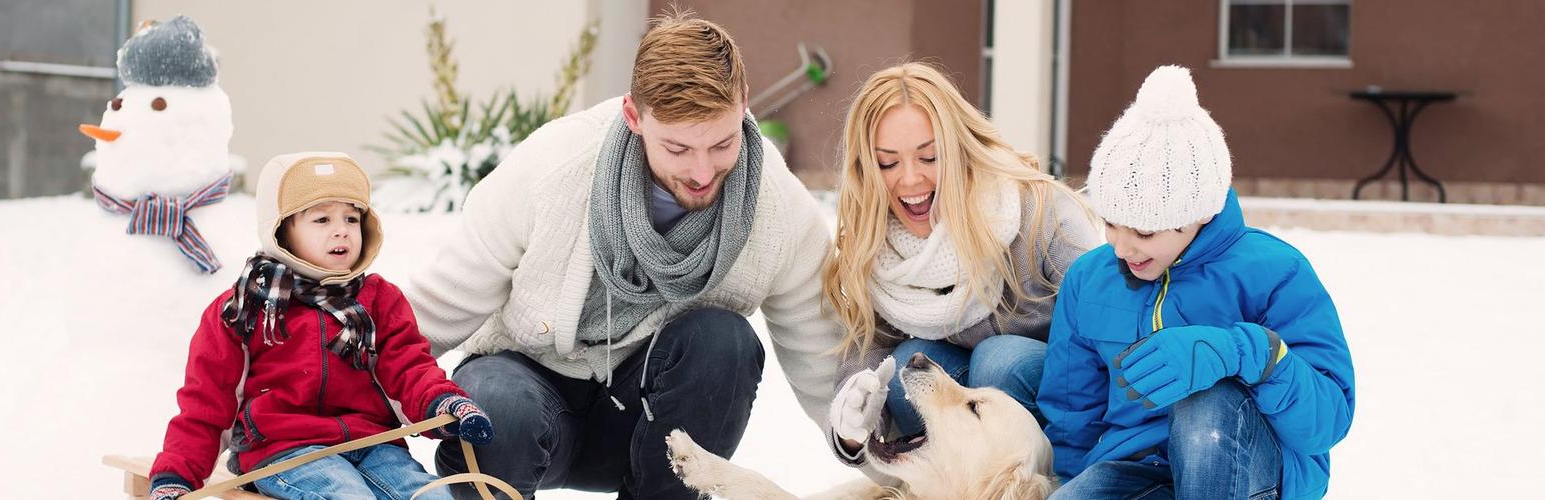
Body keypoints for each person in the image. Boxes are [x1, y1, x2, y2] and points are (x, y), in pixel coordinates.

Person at [403, 11, 844, 499]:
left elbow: (823, 355)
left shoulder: (776, 208)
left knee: (726, 343)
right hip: (523, 403)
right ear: (633, 117)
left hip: (645, 425)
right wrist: (335, 408)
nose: (702, 171)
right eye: (677, 148)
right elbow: (437, 310)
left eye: (721, 143)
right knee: (496, 399)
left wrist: (897, 458)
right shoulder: (554, 167)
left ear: (743, 106)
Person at [1039, 65, 1357, 499]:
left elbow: (1328, 421)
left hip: (1251, 471)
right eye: (1111, 223)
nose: (1122, 247)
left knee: (1203, 401)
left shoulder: (1274, 272)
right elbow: (1073, 408)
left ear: (1201, 213)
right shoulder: (1090, 279)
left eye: (1145, 232)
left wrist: (1247, 353)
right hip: (1135, 469)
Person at [147, 152, 494, 500]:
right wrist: (177, 473)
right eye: (322, 219)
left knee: (432, 497)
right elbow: (207, 403)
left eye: (351, 218)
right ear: (282, 231)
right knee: (347, 496)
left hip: (374, 447)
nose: (341, 229)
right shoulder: (246, 307)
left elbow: (409, 368)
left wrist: (445, 402)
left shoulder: (377, 300)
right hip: (286, 452)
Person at [819, 62, 1100, 474]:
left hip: (1063, 416)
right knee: (905, 370)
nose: (911, 180)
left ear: (959, 147)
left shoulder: (1037, 212)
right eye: (887, 163)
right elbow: (871, 350)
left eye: (930, 156)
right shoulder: (880, 246)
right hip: (965, 425)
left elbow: (1108, 328)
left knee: (997, 361)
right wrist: (852, 415)